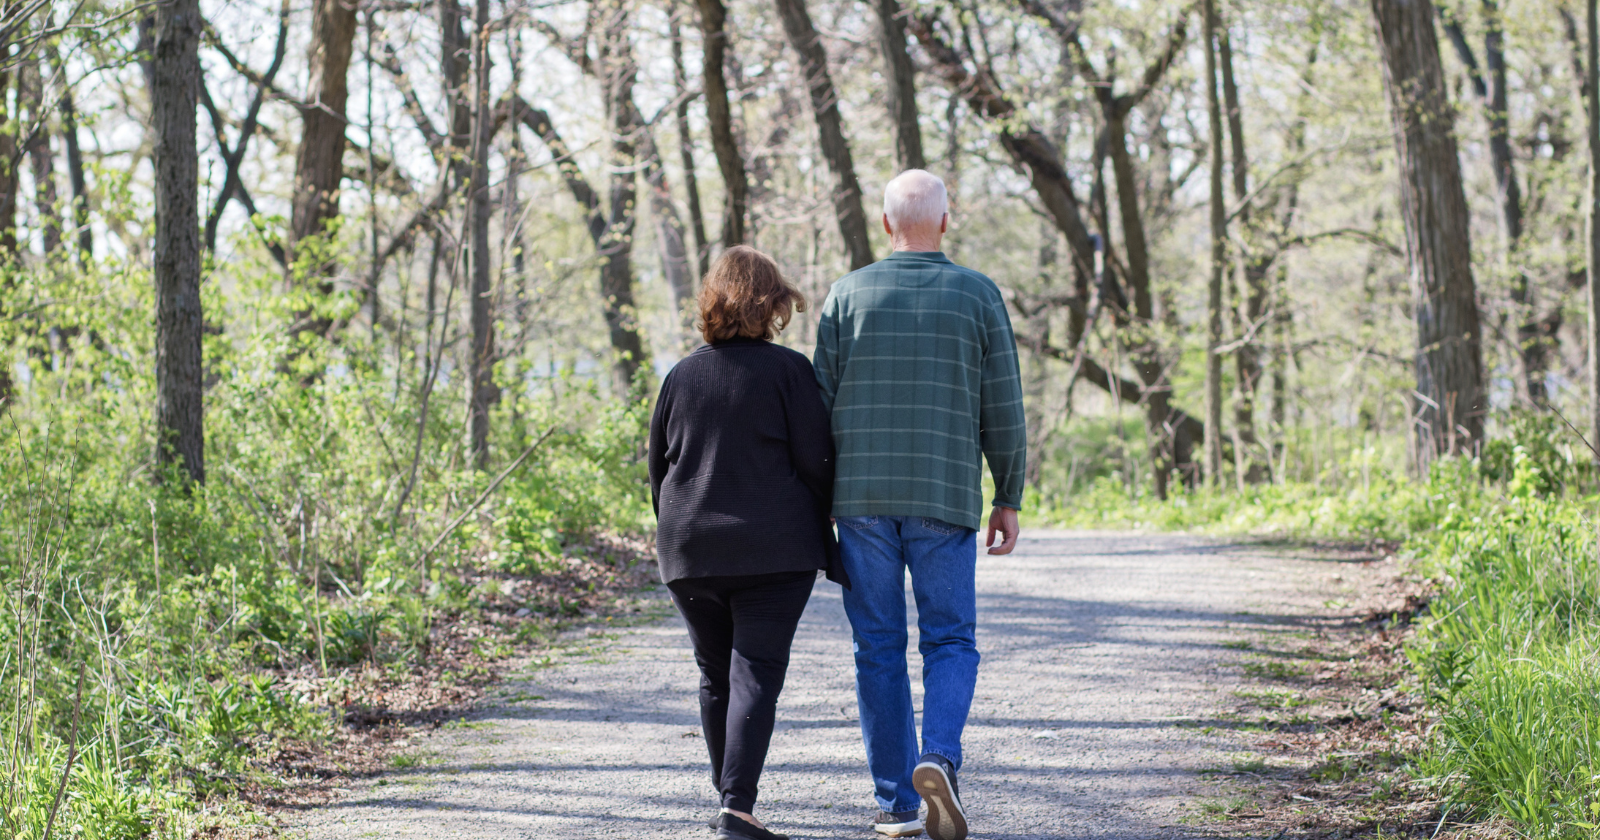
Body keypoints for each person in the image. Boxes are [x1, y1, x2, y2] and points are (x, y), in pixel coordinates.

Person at [812, 170, 1026, 840]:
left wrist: (816, 498)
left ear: (884, 225)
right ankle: (937, 757)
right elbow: (1005, 407)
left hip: (861, 501)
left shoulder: (847, 295)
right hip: (943, 492)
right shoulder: (977, 294)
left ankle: (896, 804)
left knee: (877, 645)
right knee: (950, 638)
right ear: (945, 221)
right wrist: (1008, 494)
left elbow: (816, 408)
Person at [649, 245, 846, 840]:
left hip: (689, 549)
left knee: (715, 673)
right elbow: (816, 459)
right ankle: (736, 807)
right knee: (755, 670)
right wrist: (831, 514)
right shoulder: (789, 372)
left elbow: (658, 468)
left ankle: (731, 802)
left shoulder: (681, 374)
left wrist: (678, 527)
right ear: (774, 303)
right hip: (774, 550)